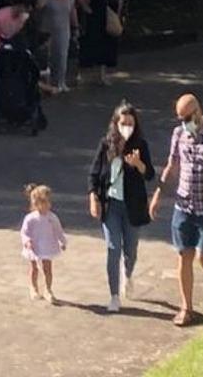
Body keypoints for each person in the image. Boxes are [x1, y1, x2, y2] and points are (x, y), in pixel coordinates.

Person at [150, 90, 203, 328]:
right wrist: (158, 193)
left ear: (198, 111)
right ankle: (186, 308)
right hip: (184, 206)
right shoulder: (178, 134)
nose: (184, 123)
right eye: (180, 119)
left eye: (187, 117)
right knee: (184, 255)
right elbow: (172, 166)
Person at [87, 101, 155, 314]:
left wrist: (138, 164)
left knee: (131, 249)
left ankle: (129, 273)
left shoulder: (140, 145)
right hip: (112, 206)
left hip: (133, 206)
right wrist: (93, 197)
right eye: (123, 123)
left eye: (130, 124)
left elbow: (150, 174)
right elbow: (94, 174)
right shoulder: (106, 144)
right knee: (113, 248)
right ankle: (114, 295)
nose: (126, 127)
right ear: (115, 124)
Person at [0, 29, 47, 135]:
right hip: (24, 91)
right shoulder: (25, 55)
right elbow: (35, 72)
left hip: (6, 91)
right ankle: (35, 119)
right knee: (32, 93)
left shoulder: (3, 54)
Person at [19, 183, 67, 302]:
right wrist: (27, 241)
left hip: (47, 245)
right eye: (45, 202)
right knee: (34, 268)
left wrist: (62, 242)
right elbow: (24, 232)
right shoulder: (30, 218)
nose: (48, 205)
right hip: (34, 247)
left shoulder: (52, 218)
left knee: (47, 268)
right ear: (36, 204)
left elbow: (58, 230)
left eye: (49, 202)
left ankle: (48, 289)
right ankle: (33, 288)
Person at [77, 0, 123, 86]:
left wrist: (117, 16)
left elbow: (119, 1)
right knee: (91, 47)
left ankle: (102, 76)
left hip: (107, 21)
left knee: (106, 49)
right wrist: (87, 8)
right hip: (95, 22)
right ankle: (83, 75)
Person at [38, 0, 78, 92]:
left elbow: (72, 11)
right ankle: (49, 82)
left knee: (62, 56)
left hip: (63, 29)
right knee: (49, 57)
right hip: (48, 30)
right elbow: (39, 5)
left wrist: (75, 26)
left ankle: (61, 81)